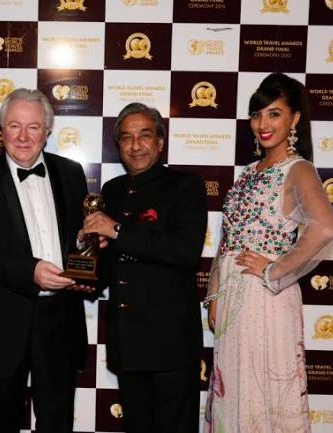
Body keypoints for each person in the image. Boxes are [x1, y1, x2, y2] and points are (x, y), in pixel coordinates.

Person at [203, 73, 333, 432]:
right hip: (233, 300)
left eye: (274, 114)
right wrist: (215, 292)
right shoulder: (249, 172)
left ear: (295, 118)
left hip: (265, 299)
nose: (262, 124)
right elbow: (228, 238)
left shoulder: (298, 169)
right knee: (235, 392)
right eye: (256, 114)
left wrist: (273, 270)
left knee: (263, 395)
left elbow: (324, 227)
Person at [0, 88, 90, 433]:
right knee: (0, 424)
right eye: (14, 126)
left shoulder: (71, 173)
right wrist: (30, 271)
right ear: (2, 129)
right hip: (3, 321)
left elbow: (80, 239)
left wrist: (89, 252)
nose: (23, 136)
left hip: (61, 322)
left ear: (48, 131)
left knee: (57, 423)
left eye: (33, 127)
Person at [81, 102, 208, 433]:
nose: (135, 145)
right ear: (118, 145)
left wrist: (117, 230)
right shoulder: (112, 191)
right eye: (126, 137)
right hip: (127, 343)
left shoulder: (187, 186)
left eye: (144, 135)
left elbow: (184, 252)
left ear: (160, 141)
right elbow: (112, 260)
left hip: (171, 344)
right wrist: (85, 278)